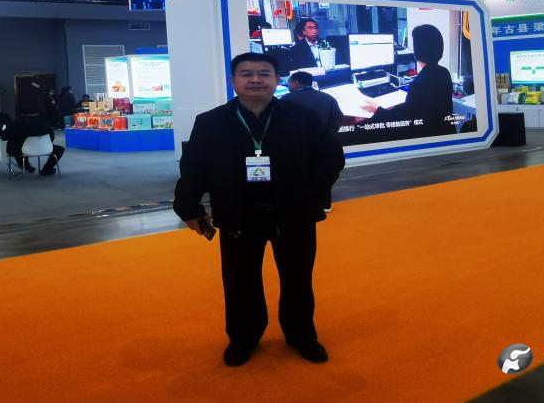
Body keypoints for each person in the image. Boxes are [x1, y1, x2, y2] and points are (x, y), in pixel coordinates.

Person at [174, 52, 345, 367]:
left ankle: (301, 335)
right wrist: (189, 206)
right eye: (247, 73)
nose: (255, 80)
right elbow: (194, 167)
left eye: (264, 73)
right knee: (240, 281)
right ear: (233, 80)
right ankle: (243, 338)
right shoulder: (211, 122)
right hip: (238, 213)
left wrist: (313, 194)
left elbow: (331, 158)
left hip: (293, 213)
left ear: (277, 80)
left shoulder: (303, 118)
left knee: (298, 279)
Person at [365, 24, 455, 136]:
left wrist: (377, 109)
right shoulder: (444, 73)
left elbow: (402, 124)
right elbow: (421, 109)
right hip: (445, 134)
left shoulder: (418, 85)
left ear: (418, 50)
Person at [4, 103, 65, 175]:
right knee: (60, 149)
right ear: (37, 113)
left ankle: (26, 166)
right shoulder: (45, 124)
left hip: (18, 150)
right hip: (43, 148)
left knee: (16, 147)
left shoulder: (14, 124)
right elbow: (51, 138)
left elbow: (4, 137)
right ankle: (47, 169)